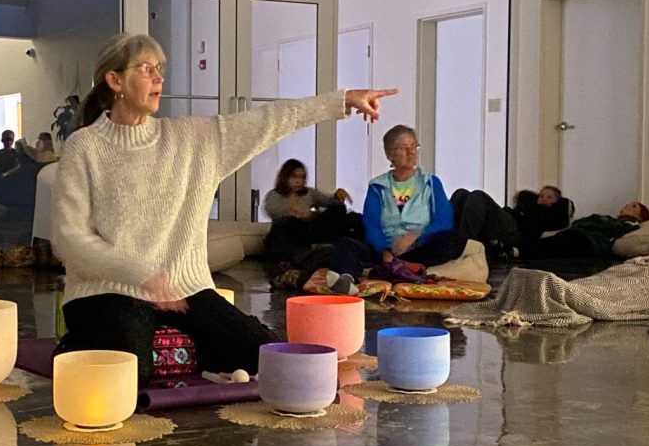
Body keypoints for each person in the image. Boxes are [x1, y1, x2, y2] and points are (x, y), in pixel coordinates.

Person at [52, 32, 397, 383]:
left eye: (160, 69)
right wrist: (141, 275)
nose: (159, 78)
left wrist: (342, 100)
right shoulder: (85, 148)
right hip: (106, 290)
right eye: (146, 69)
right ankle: (77, 346)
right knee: (127, 380)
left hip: (184, 288)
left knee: (269, 359)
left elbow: (270, 120)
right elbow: (69, 239)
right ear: (115, 80)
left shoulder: (192, 139)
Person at [326, 124, 466, 295]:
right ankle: (346, 280)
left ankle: (402, 266)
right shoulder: (377, 186)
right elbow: (371, 223)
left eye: (414, 146)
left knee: (456, 237)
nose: (411, 152)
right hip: (385, 251)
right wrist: (386, 250)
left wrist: (416, 236)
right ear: (389, 154)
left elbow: (444, 219)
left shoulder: (431, 183)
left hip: (419, 249)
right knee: (346, 242)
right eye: (404, 148)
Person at [262, 158, 355, 261]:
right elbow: (271, 210)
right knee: (286, 225)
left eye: (302, 178)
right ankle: (303, 254)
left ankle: (329, 247)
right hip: (288, 231)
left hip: (308, 229)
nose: (298, 181)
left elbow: (329, 202)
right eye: (294, 177)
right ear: (285, 177)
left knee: (340, 210)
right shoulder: (274, 195)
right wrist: (293, 212)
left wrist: (338, 195)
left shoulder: (309, 193)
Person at [522, 201, 649, 259]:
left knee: (553, 245)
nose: (627, 205)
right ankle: (517, 249)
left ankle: (517, 251)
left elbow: (606, 230)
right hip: (577, 233)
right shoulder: (610, 219)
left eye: (633, 206)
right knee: (552, 241)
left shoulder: (628, 225)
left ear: (639, 216)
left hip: (589, 241)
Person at [450, 187, 522, 259]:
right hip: (499, 229)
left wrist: (510, 251)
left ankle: (461, 249)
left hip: (517, 231)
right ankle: (446, 244)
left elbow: (530, 248)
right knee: (461, 194)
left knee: (478, 197)